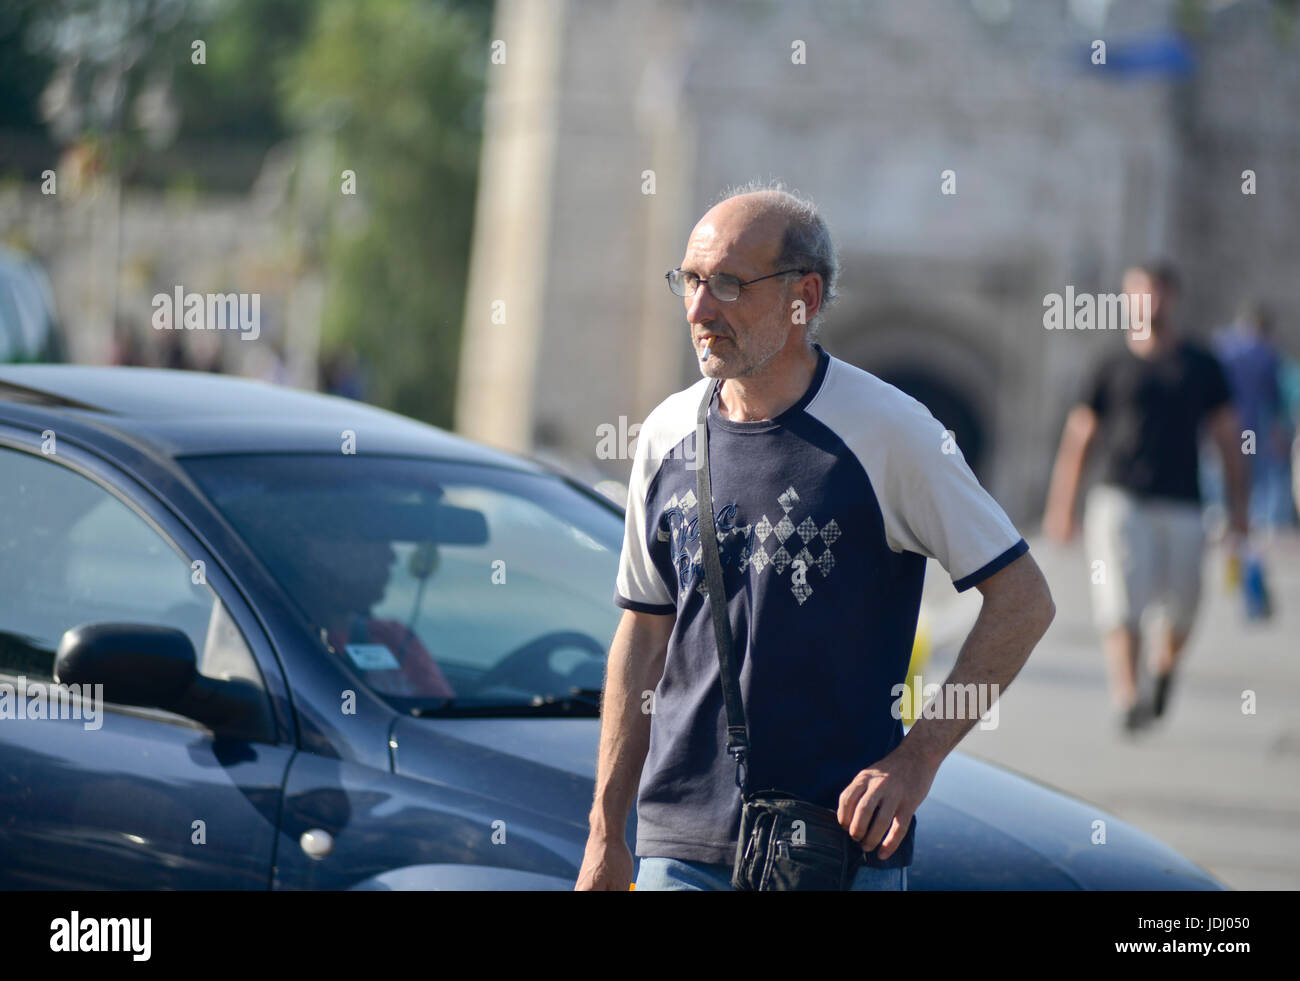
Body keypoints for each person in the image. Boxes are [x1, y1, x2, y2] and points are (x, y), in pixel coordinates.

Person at [574, 182, 1055, 892]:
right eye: (692, 281)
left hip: (835, 854)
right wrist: (605, 833)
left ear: (803, 295)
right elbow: (642, 641)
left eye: (730, 284)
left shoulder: (895, 432)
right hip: (678, 845)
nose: (701, 309)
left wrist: (918, 758)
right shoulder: (666, 433)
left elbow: (1024, 600)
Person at [1043, 262, 1249, 734]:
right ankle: (1127, 696)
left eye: (1156, 293)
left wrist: (1240, 507)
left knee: (1183, 607)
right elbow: (1080, 436)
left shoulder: (1201, 364)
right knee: (1121, 599)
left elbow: (1227, 436)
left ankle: (1162, 668)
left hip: (1184, 502)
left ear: (1171, 298)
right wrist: (1063, 506)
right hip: (1119, 497)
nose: (1148, 302)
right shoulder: (1110, 362)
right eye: (1138, 293)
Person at [1212, 303, 1292, 530]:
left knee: (1220, 465)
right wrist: (1277, 425)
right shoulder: (1266, 353)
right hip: (1249, 425)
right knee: (1248, 466)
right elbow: (1273, 396)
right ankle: (1250, 513)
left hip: (1222, 422)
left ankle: (1220, 512)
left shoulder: (1223, 346)